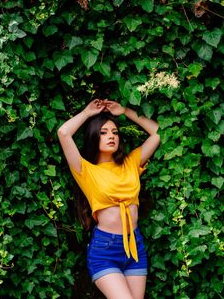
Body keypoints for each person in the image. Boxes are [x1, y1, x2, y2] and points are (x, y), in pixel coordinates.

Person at [57, 99, 160, 299]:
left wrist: (125, 111)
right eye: (103, 133)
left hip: (134, 246)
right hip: (105, 251)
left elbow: (158, 133)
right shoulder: (85, 170)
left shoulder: (131, 162)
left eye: (114, 132)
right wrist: (87, 113)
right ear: (94, 137)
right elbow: (63, 133)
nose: (111, 137)